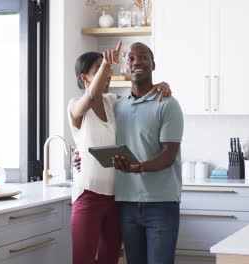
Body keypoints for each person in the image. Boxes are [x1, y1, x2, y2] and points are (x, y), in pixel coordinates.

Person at [67, 40, 172, 264]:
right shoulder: (75, 105)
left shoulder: (114, 102)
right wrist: (107, 62)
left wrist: (161, 85)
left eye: (109, 71)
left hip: (118, 197)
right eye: (100, 71)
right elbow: (91, 98)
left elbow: (142, 99)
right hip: (88, 195)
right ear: (85, 77)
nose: (107, 76)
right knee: (83, 259)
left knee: (109, 258)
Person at [111, 42, 184, 264]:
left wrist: (138, 167)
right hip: (126, 203)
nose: (136, 62)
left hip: (161, 203)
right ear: (125, 67)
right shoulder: (117, 106)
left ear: (153, 64)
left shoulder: (167, 104)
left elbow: (168, 154)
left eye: (143, 57)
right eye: (131, 59)